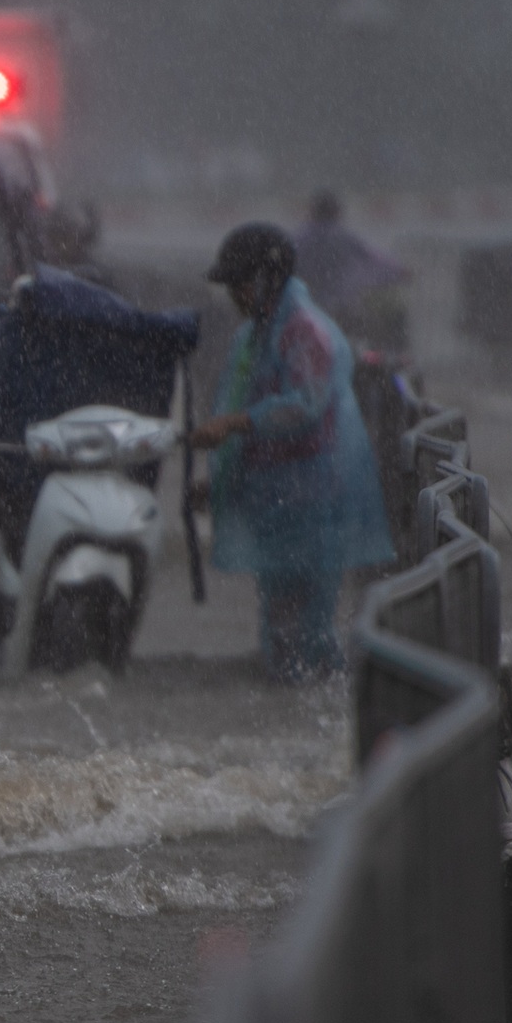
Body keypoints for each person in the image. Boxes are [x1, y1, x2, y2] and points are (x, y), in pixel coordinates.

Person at [190, 223, 393, 682]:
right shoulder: (255, 336)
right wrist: (220, 482)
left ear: (267, 279)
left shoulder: (304, 331)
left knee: (311, 632)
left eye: (239, 284)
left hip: (315, 501)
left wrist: (233, 424)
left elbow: (304, 404)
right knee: (278, 631)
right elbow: (249, 412)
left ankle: (329, 722)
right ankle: (285, 725)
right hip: (275, 505)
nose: (233, 297)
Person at [293, 190, 409, 349]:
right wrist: (401, 272)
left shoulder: (299, 239)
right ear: (336, 212)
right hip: (341, 309)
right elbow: (373, 260)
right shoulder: (343, 237)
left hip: (305, 308)